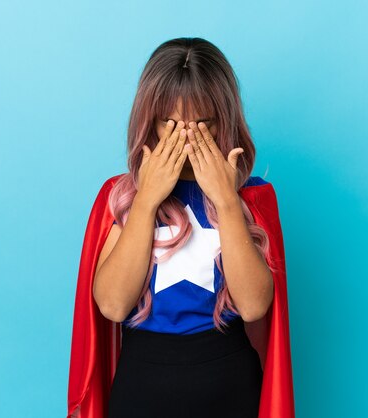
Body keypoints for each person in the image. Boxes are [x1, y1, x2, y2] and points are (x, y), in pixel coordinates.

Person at [67, 37, 295, 418]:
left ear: (225, 120)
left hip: (230, 383)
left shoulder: (252, 199)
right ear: (149, 121)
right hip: (142, 384)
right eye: (170, 124)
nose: (186, 139)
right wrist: (147, 199)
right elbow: (112, 304)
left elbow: (255, 307)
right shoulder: (120, 197)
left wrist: (225, 199)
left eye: (202, 124)